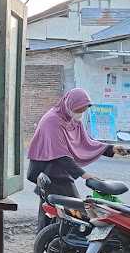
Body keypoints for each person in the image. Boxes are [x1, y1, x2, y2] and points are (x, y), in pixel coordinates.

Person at [27, 88, 125, 230]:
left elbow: (86, 142)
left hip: (60, 173)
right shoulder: (52, 121)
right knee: (67, 211)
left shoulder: (71, 119)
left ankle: (48, 246)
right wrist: (84, 175)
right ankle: (50, 246)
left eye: (83, 110)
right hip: (47, 174)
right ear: (69, 105)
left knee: (61, 212)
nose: (80, 114)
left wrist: (110, 148)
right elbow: (60, 155)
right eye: (78, 109)